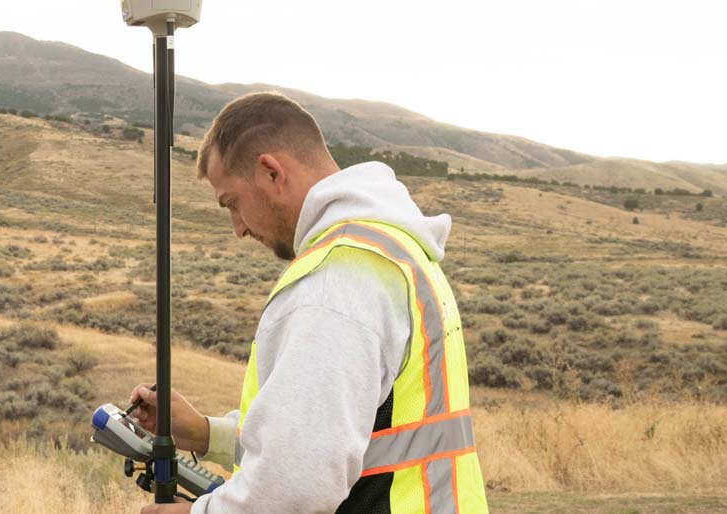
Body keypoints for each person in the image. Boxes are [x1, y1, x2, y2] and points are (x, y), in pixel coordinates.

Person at [132, 92, 489, 514]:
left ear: (270, 172)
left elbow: (297, 485)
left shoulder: (334, 281)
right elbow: (355, 437)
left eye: (232, 203)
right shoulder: (395, 248)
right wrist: (209, 434)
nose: (238, 228)